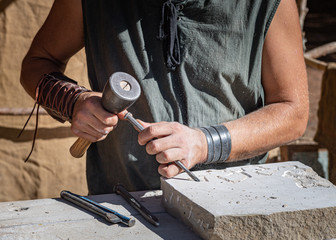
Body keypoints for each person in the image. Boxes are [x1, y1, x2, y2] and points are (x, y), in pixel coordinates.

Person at [20, 0, 309, 194]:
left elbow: (293, 112)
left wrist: (204, 143)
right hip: (125, 206)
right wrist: (73, 100)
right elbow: (38, 63)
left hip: (235, 202)